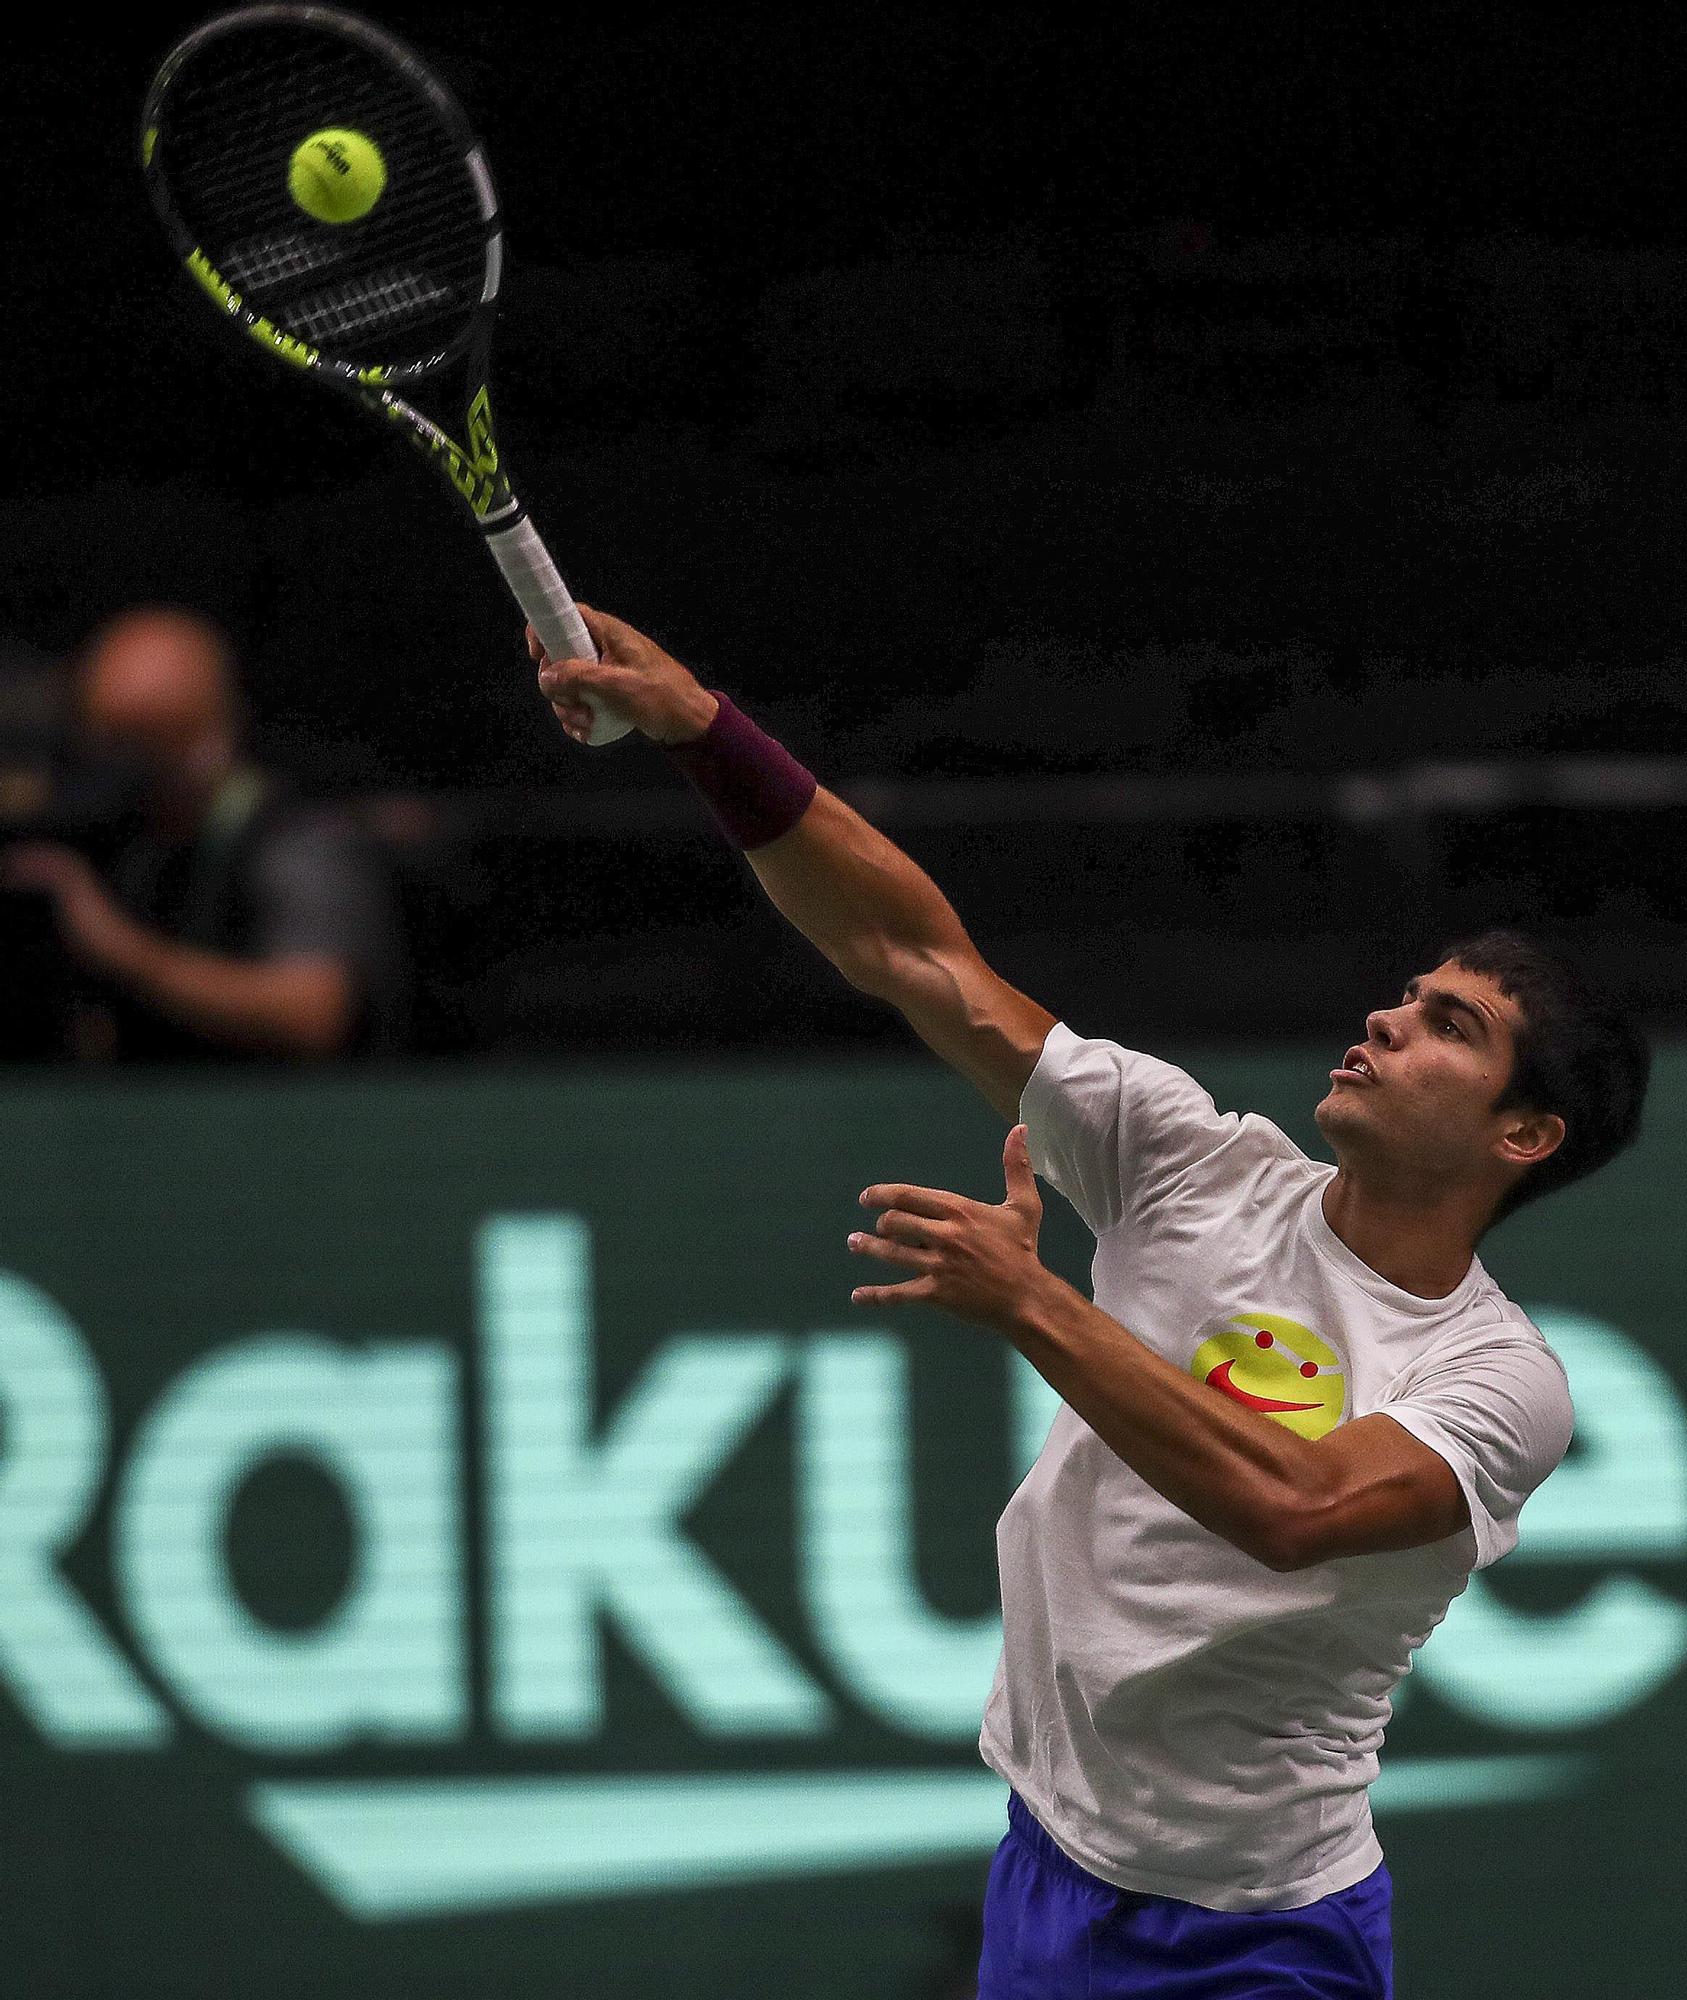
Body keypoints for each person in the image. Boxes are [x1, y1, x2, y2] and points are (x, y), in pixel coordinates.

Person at [530, 606, 1649, 2000]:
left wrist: (1030, 1306)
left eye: (1448, 1028)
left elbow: (1293, 1509)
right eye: (1406, 996)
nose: (1385, 1022)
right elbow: (910, 953)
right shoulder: (1190, 1162)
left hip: (1259, 1929)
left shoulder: (1497, 1383)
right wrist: (707, 735)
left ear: (1521, 1135)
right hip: (1047, 1864)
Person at [2, 607, 406, 1061]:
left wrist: (118, 949)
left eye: (145, 742)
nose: (123, 768)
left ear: (209, 733)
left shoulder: (294, 836)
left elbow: (314, 1015)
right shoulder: (123, 838)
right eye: (107, 742)